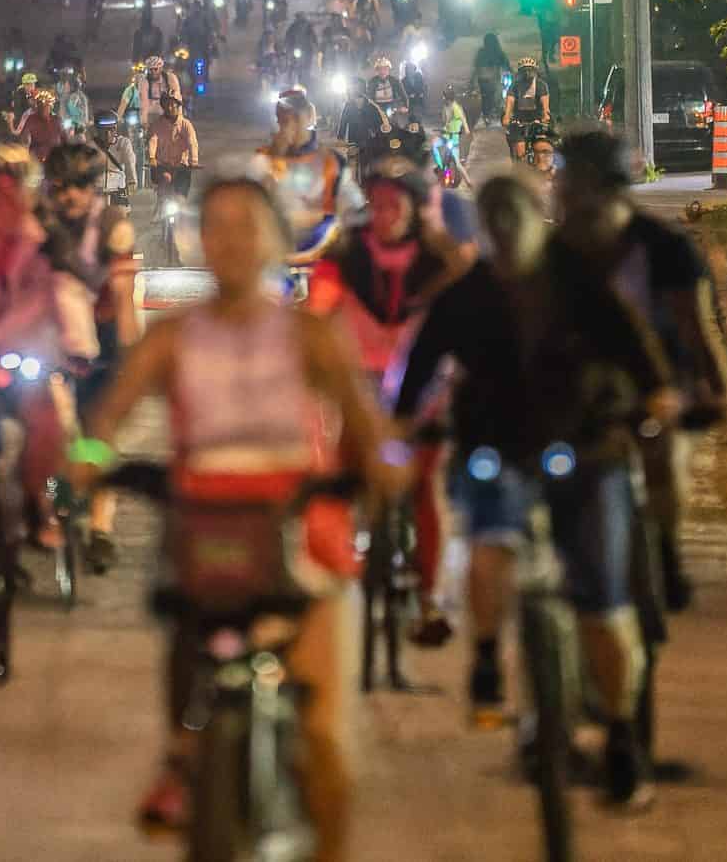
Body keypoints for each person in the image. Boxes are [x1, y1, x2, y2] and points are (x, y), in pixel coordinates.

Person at [71, 175, 402, 855]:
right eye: (215, 224)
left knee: (327, 745)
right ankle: (177, 756)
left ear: (276, 240)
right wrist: (85, 455)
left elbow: (368, 424)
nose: (230, 240)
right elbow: (107, 415)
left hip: (301, 531)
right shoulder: (172, 338)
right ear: (197, 237)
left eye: (247, 224)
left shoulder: (309, 335)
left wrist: (383, 463)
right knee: (182, 639)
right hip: (204, 529)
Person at [391, 169, 678, 804]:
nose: (505, 234)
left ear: (535, 221)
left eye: (514, 220)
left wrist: (656, 397)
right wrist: (401, 427)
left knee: (604, 604)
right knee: (490, 540)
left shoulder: (580, 285)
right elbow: (417, 371)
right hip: (495, 449)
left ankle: (623, 734)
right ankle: (489, 656)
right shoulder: (465, 297)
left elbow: (635, 347)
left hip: (586, 447)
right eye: (493, 225)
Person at [552, 131, 727, 615]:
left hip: (657, 380)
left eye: (573, 182)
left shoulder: (665, 248)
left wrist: (713, 387)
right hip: (579, 386)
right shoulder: (552, 253)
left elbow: (692, 325)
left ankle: (666, 553)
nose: (563, 193)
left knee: (661, 458)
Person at [308, 160, 473, 649]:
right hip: (359, 384)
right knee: (341, 474)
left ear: (416, 210)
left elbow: (468, 300)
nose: (383, 215)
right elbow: (320, 302)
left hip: (423, 389)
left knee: (425, 486)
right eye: (375, 205)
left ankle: (428, 599)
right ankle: (332, 574)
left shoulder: (438, 257)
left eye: (394, 206)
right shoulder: (348, 251)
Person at [0, 167, 97, 566]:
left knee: (51, 421)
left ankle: (41, 505)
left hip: (26, 356)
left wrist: (78, 345)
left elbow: (64, 295)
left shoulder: (41, 247)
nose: (4, 213)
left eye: (12, 202)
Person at [38, 143, 138, 567]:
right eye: (61, 187)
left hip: (105, 334)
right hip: (52, 337)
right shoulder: (39, 225)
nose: (70, 196)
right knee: (46, 428)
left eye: (79, 186)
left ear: (94, 187)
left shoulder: (114, 226)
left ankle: (101, 528)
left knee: (98, 434)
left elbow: (124, 296)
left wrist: (131, 356)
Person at [259, 86, 359, 265]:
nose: (291, 125)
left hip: (322, 257)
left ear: (309, 118)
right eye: (284, 119)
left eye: (296, 118)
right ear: (277, 120)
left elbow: (352, 208)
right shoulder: (263, 159)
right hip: (275, 259)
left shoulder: (331, 162)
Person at [144, 90, 201, 211]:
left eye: (173, 105)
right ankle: (160, 203)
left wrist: (194, 160)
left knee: (181, 199)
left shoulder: (186, 125)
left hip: (181, 167)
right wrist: (152, 157)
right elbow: (152, 141)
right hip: (162, 166)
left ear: (178, 106)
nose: (170, 108)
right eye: (167, 105)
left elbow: (192, 142)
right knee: (165, 178)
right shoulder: (157, 125)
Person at [503, 56, 551, 155]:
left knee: (543, 145)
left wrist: (546, 115)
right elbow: (510, 101)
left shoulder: (541, 85)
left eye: (530, 70)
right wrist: (507, 116)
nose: (527, 74)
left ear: (535, 71)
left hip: (537, 119)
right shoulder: (515, 86)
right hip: (519, 120)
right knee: (520, 148)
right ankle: (520, 166)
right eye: (524, 71)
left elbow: (545, 103)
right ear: (520, 73)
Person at [473, 32, 513, 125]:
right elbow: (506, 65)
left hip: (483, 80)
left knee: (486, 98)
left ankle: (487, 115)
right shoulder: (498, 52)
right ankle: (492, 114)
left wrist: (474, 80)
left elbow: (476, 66)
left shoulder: (481, 52)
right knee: (494, 96)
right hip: (492, 80)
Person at [20, 88, 66, 162]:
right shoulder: (31, 119)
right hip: (37, 159)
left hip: (55, 160)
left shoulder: (57, 120)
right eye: (41, 105)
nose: (44, 108)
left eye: (46, 105)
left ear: (51, 107)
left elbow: (65, 139)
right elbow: (24, 139)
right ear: (37, 106)